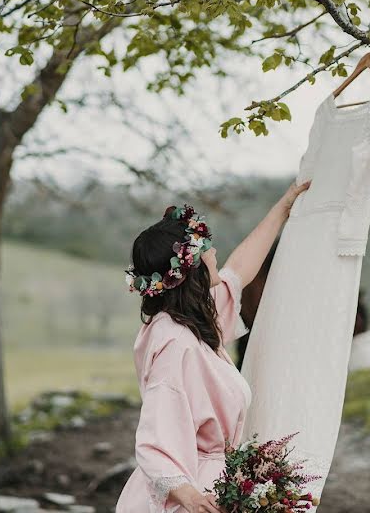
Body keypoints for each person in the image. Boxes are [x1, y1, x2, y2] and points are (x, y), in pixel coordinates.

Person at [116, 182, 310, 513]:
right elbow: (154, 439)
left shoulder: (190, 319)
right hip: (196, 494)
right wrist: (189, 497)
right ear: (191, 267)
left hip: (215, 482)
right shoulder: (174, 343)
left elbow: (238, 272)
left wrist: (283, 207)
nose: (215, 252)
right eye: (207, 247)